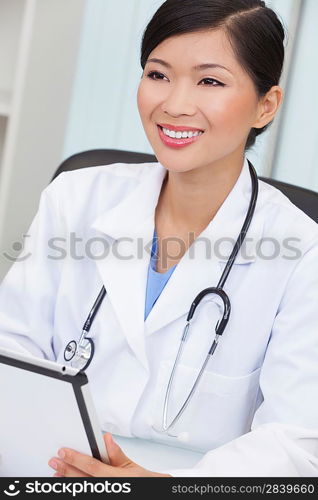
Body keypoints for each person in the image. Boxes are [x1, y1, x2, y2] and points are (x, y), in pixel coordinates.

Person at [1, 0, 318, 477]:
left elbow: (296, 440)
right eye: (158, 74)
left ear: (265, 104)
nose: (174, 104)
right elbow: (12, 350)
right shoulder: (76, 197)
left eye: (209, 80)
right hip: (47, 469)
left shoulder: (302, 250)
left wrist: (164, 488)